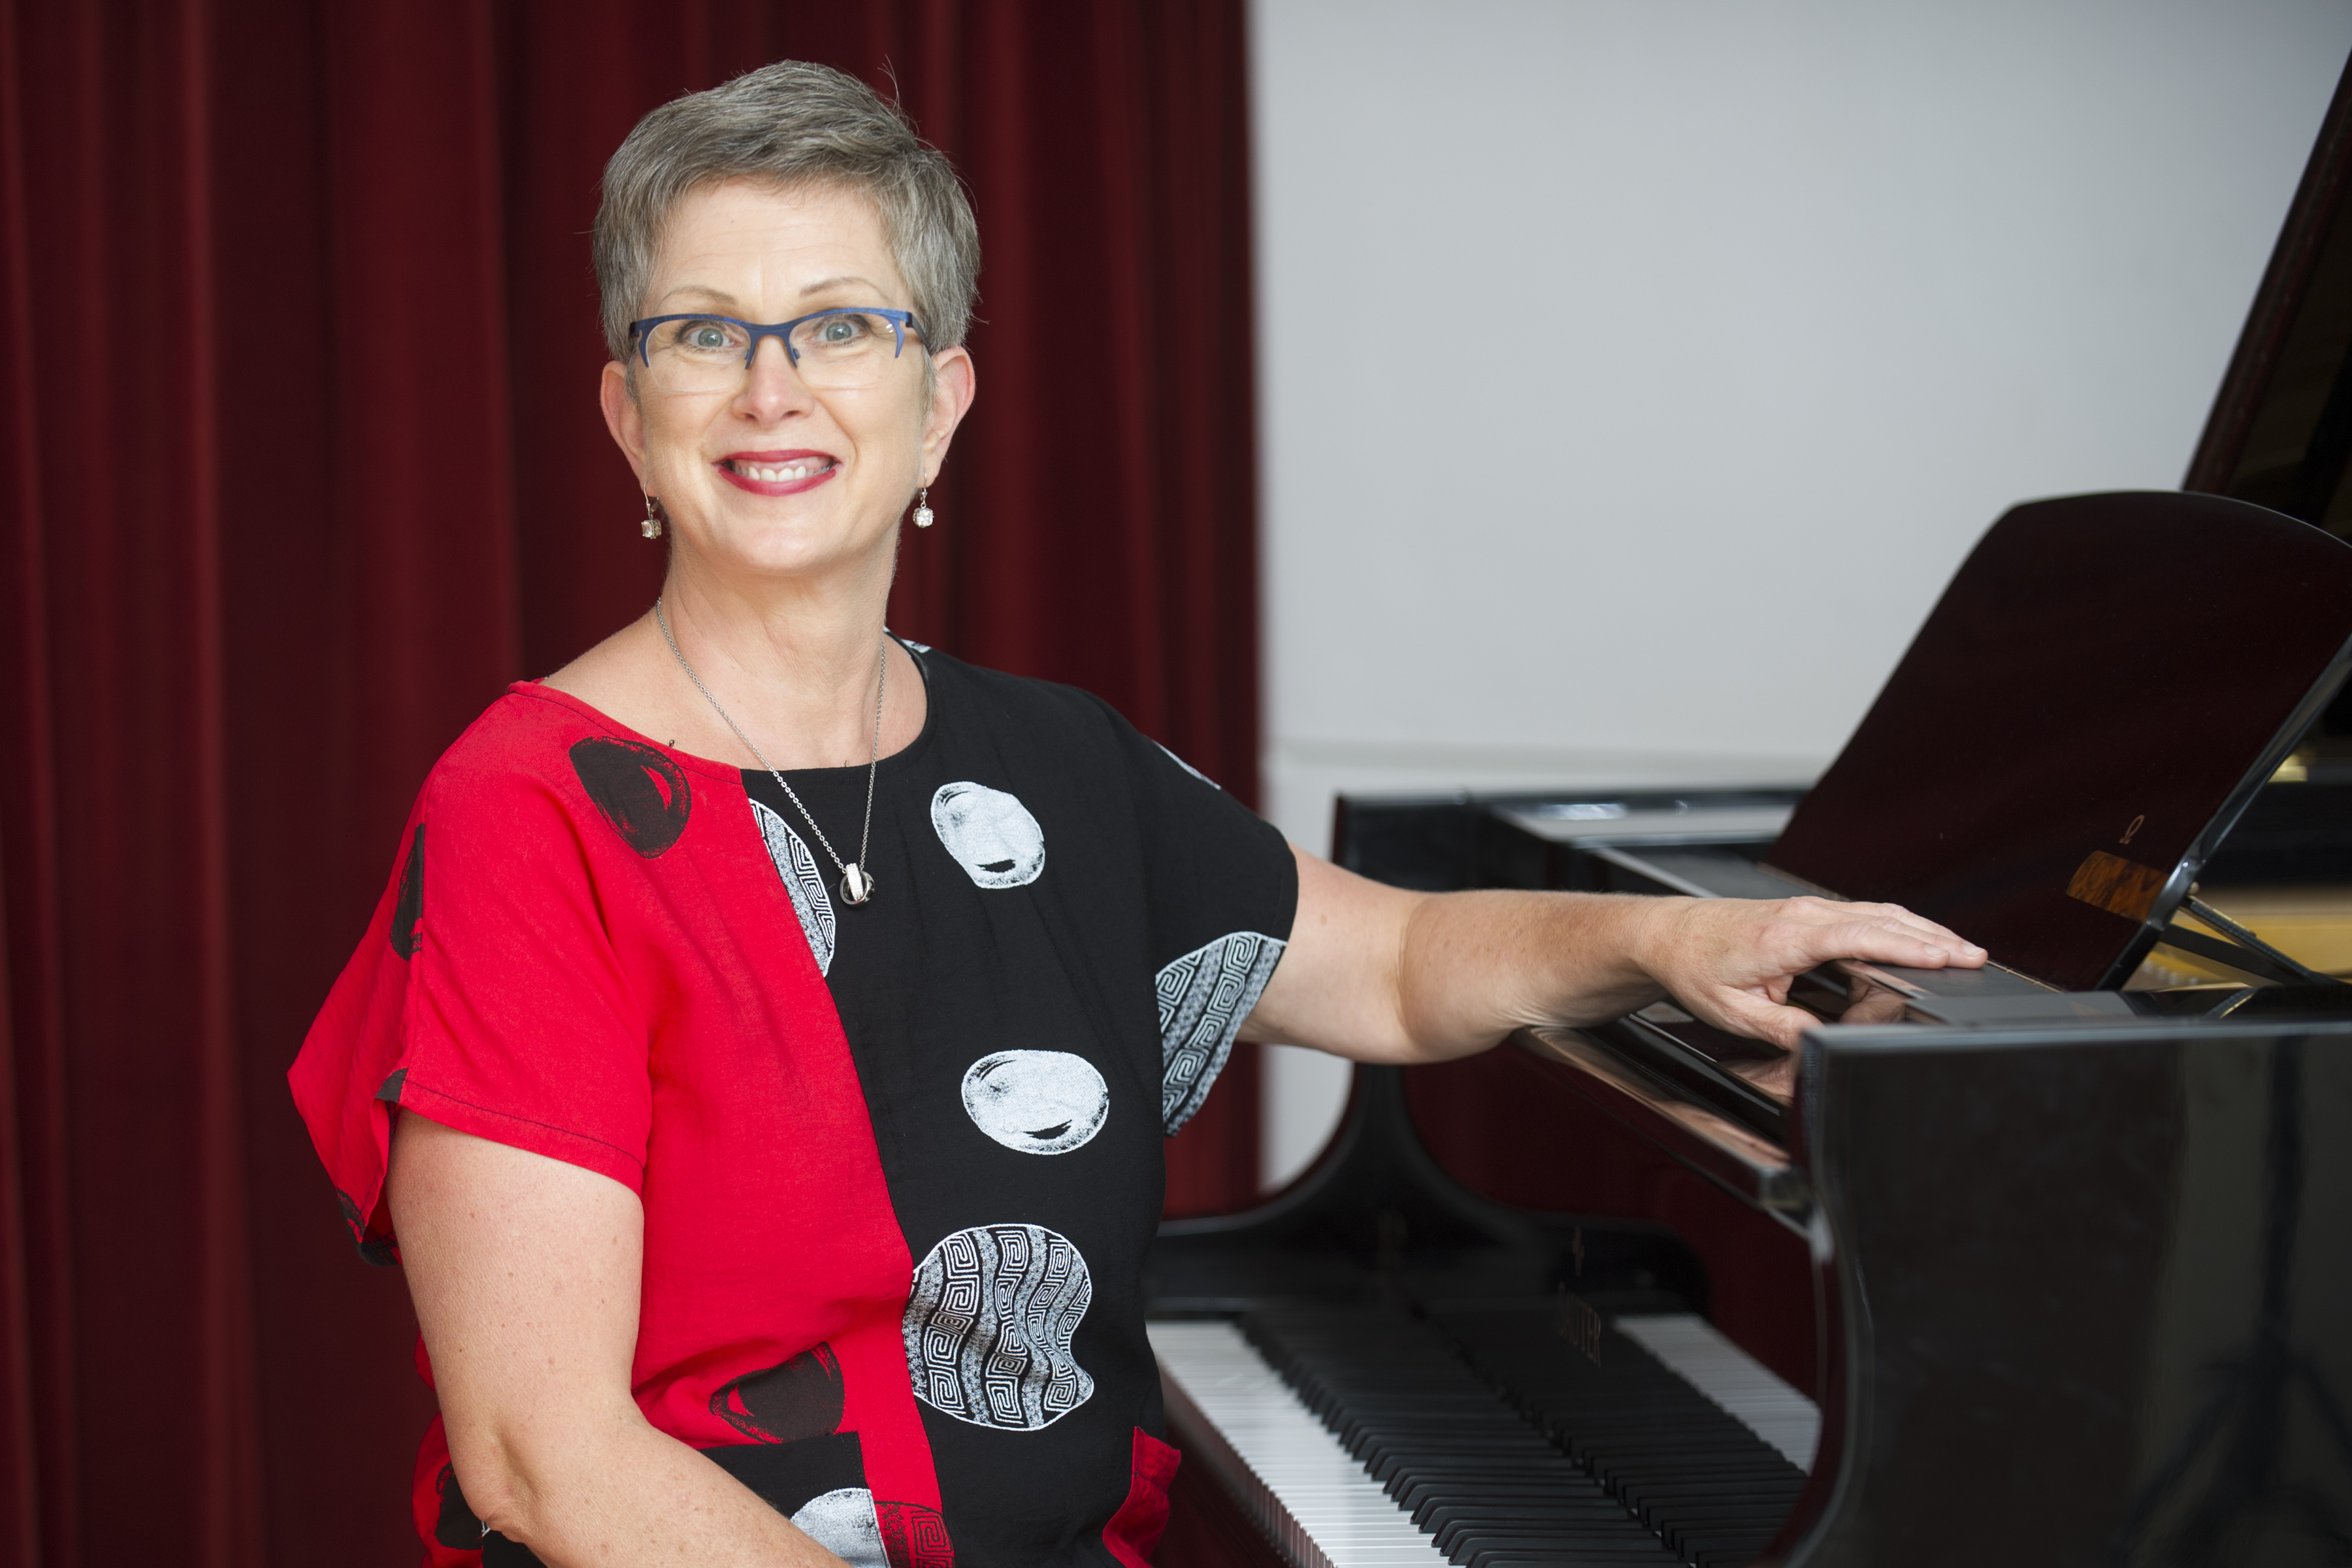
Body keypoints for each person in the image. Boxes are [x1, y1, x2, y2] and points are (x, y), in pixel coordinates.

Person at [289, 60, 1983, 1568]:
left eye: (842, 325)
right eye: (704, 332)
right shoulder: (530, 809)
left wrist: (1680, 937)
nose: (770, 387)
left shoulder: (1055, 763)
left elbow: (1394, 967)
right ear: (627, 415)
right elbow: (546, 1460)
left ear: (942, 403)